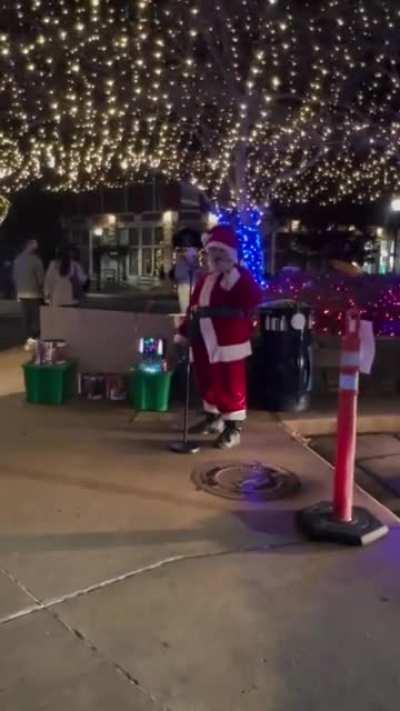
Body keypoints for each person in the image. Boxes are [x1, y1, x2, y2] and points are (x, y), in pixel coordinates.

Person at [176, 226, 262, 449]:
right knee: (206, 379)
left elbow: (252, 298)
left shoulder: (239, 276)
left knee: (229, 382)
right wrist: (184, 331)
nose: (216, 257)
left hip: (227, 339)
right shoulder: (206, 279)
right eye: (213, 252)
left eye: (221, 253)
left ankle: (233, 427)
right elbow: (194, 308)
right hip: (204, 337)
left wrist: (231, 272)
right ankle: (213, 419)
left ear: (231, 254)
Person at [12, 238, 44, 347]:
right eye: (35, 244)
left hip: (21, 293)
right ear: (29, 245)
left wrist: (17, 291)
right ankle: (36, 339)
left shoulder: (17, 260)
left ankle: (27, 339)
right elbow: (40, 279)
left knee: (26, 318)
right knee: (36, 318)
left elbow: (15, 277)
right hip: (34, 294)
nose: (37, 246)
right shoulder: (36, 260)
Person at [172, 247, 201, 314]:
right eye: (192, 256)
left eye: (194, 256)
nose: (193, 258)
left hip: (194, 288)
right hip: (184, 289)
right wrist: (189, 269)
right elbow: (178, 275)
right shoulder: (181, 263)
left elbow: (199, 277)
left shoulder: (196, 264)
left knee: (194, 310)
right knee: (185, 310)